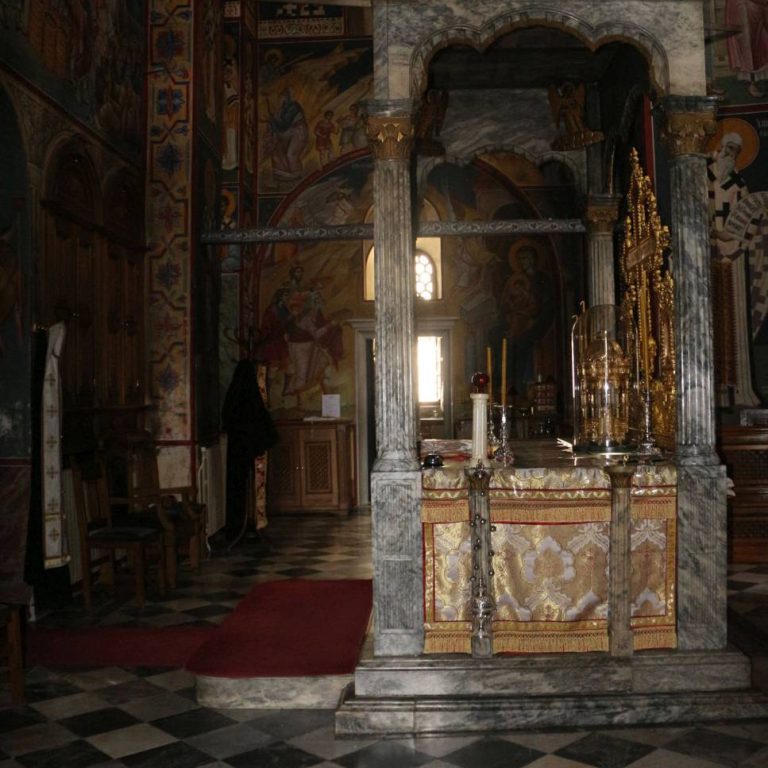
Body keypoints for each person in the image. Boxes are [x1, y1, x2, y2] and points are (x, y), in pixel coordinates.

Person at [725, 0, 768, 98]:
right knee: (749, 44)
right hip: (743, 6)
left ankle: (755, 81)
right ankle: (752, 83)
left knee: (761, 42)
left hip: (755, 6)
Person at [266, 88, 308, 184]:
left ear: (286, 97)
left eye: (281, 97)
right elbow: (281, 127)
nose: (279, 100)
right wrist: (273, 119)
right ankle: (283, 175)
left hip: (298, 132)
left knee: (291, 154)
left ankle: (297, 178)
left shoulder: (293, 107)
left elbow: (284, 126)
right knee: (278, 151)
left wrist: (273, 119)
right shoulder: (284, 109)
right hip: (291, 132)